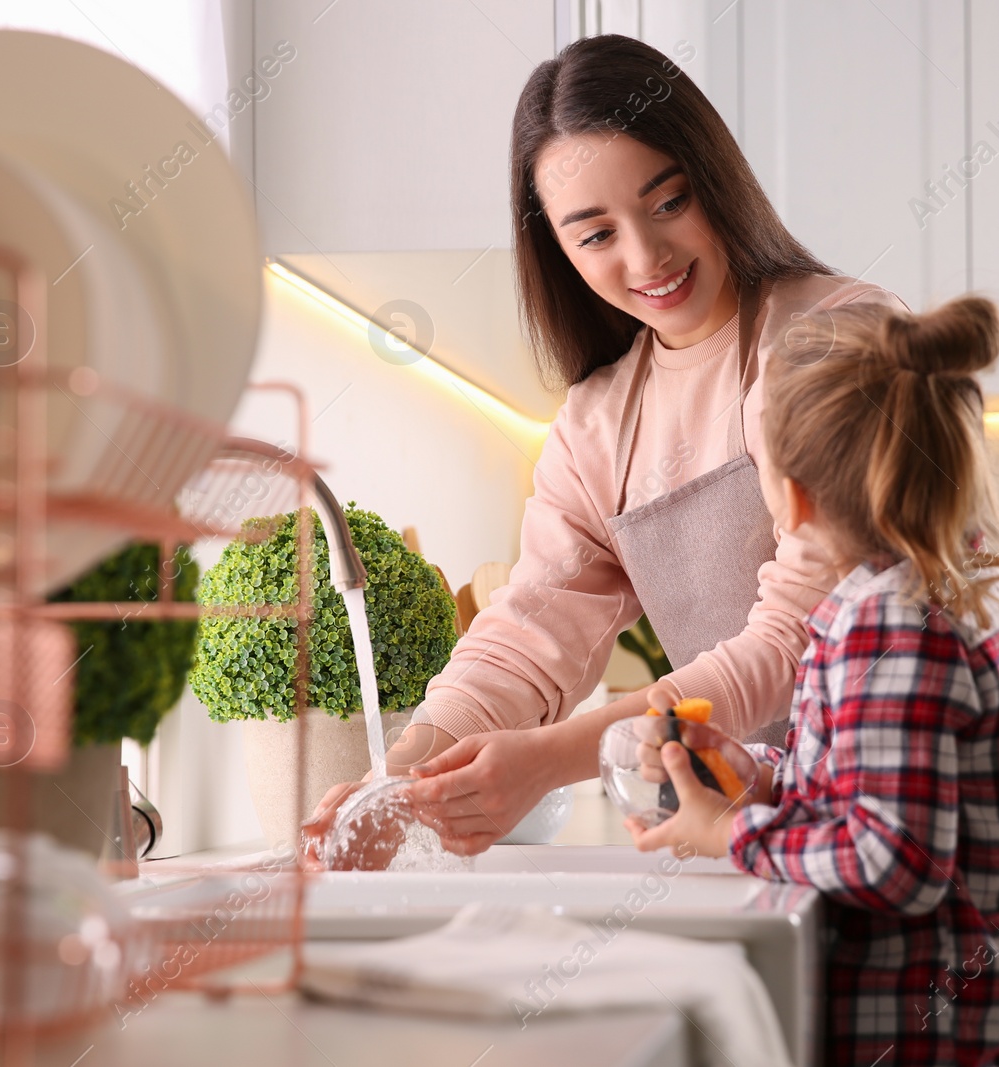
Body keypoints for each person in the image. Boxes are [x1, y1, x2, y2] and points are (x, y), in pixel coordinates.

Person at [302, 32, 907, 853]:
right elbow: (525, 637)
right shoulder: (597, 425)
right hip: (774, 819)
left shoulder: (837, 339)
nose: (646, 255)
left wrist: (551, 758)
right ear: (557, 249)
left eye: (669, 202)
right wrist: (400, 777)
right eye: (595, 234)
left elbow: (802, 636)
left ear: (717, 179)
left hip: (931, 794)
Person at [626, 297, 999, 1065]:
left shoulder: (894, 625)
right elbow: (871, 796)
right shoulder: (898, 603)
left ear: (794, 497)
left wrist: (730, 832)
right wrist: (764, 784)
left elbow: (895, 862)